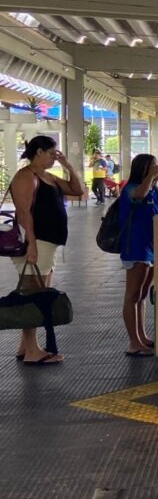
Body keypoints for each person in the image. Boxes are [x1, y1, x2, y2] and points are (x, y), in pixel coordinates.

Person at [9, 135, 85, 364]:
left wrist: (68, 166)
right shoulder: (26, 176)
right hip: (37, 241)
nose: (54, 158)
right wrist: (31, 243)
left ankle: (25, 346)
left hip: (47, 242)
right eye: (52, 154)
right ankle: (33, 350)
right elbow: (23, 212)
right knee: (35, 295)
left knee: (37, 292)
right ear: (39, 152)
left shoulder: (48, 177)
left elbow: (77, 190)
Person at [119, 154, 158, 357]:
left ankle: (142, 336)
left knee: (143, 294)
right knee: (132, 293)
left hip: (152, 246)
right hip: (135, 246)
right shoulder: (131, 188)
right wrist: (150, 178)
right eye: (152, 166)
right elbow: (138, 195)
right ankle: (133, 342)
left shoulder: (156, 191)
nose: (157, 169)